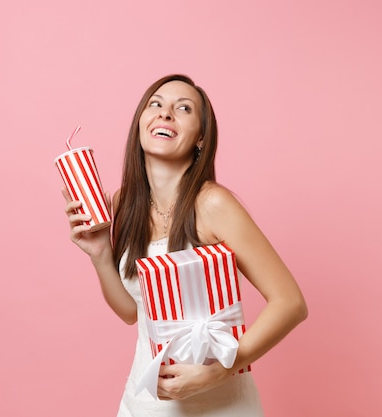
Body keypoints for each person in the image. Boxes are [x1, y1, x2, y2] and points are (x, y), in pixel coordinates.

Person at [61, 74, 308, 416]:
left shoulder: (213, 205)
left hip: (219, 404)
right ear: (141, 123)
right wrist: (101, 254)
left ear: (201, 139)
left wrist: (222, 369)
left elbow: (291, 303)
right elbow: (134, 314)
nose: (165, 114)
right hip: (145, 402)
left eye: (183, 108)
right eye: (156, 105)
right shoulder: (123, 204)